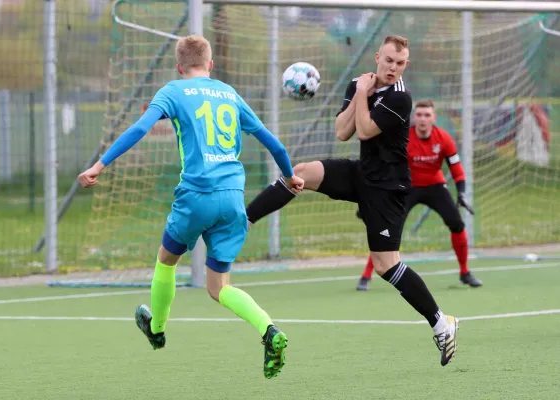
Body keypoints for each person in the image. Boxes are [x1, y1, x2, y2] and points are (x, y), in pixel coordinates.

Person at [77, 35, 304, 379]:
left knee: (167, 260)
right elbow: (273, 143)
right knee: (220, 288)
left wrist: (100, 165)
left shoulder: (173, 90)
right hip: (232, 197)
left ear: (179, 67)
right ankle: (269, 330)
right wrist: (290, 177)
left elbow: (141, 128)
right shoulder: (229, 92)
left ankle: (156, 329)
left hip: (196, 195)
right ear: (211, 65)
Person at [246, 35, 458, 366]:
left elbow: (363, 130)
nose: (393, 68)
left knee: (386, 265)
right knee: (301, 172)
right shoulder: (358, 84)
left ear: (406, 65)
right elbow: (341, 132)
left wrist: (362, 93)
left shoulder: (401, 99)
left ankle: (442, 323)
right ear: (377, 57)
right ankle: (243, 221)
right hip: (362, 173)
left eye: (400, 63)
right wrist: (359, 91)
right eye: (388, 60)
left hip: (388, 187)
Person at [356, 99, 482, 291]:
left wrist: (462, 193)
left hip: (435, 186)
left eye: (427, 115)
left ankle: (465, 272)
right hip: (407, 188)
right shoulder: (404, 137)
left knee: (456, 223)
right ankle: (366, 275)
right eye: (419, 115)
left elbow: (456, 168)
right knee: (386, 229)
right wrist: (372, 195)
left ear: (434, 118)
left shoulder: (444, 139)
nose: (423, 119)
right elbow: (385, 167)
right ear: (413, 117)